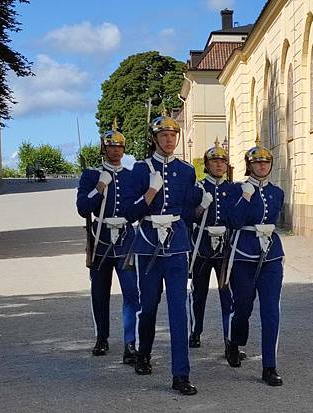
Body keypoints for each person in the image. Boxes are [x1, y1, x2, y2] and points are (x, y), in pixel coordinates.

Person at [123, 112, 198, 396]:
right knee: (149, 307)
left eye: (173, 135)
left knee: (179, 310)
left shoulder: (187, 170)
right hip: (148, 243)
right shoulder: (140, 171)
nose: (169, 140)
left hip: (177, 245)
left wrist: (200, 206)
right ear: (154, 139)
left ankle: (181, 374)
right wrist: (150, 194)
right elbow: (130, 212)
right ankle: (143, 352)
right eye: (164, 136)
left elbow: (188, 212)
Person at [223, 136, 285, 386]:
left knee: (271, 310)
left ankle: (269, 366)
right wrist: (245, 196)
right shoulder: (236, 190)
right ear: (249, 165)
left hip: (270, 253)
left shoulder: (276, 192)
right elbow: (234, 221)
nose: (262, 167)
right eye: (256, 163)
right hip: (244, 254)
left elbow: (272, 219)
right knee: (243, 307)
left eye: (265, 163)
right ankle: (234, 341)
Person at [75, 119, 139, 364]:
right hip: (100, 239)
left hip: (125, 239)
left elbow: (137, 209)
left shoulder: (132, 176)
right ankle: (101, 336)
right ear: (103, 148)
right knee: (99, 292)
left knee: (132, 292)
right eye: (111, 146)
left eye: (119, 147)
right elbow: (83, 208)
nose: (115, 150)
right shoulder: (91, 175)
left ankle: (130, 342)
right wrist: (100, 187)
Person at [188, 139, 236, 353]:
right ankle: (195, 331)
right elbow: (189, 217)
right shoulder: (198, 188)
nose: (218, 165)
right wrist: (201, 206)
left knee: (228, 294)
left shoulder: (233, 190)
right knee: (199, 294)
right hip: (202, 245)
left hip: (225, 247)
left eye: (222, 161)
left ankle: (230, 339)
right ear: (206, 165)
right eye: (214, 161)